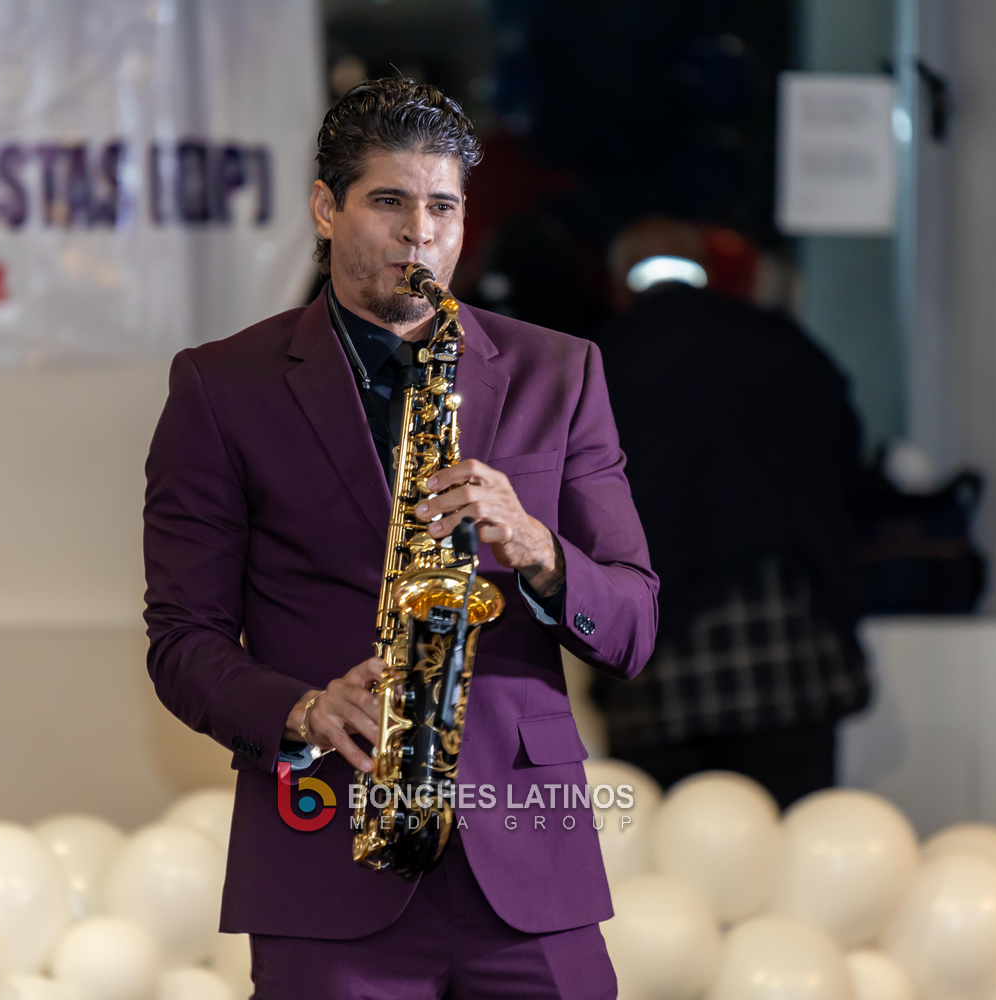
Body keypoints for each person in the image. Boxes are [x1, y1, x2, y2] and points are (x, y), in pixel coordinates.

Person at [143, 79, 656, 1000]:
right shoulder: (222, 388)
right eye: (389, 201)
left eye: (443, 207)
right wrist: (304, 711)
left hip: (527, 867)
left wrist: (538, 548)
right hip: (328, 856)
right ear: (325, 209)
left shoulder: (560, 371)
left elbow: (634, 624)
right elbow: (182, 640)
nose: (420, 233)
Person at [591, 216, 869, 808]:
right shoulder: (781, 343)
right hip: (789, 645)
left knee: (667, 841)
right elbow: (848, 464)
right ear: (711, 273)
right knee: (795, 837)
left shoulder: (599, 363)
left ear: (618, 285)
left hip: (658, 655)